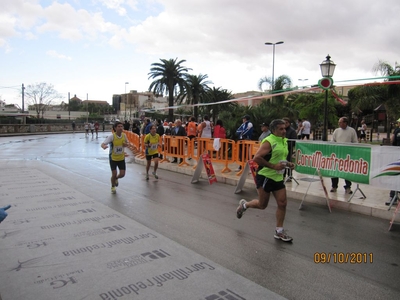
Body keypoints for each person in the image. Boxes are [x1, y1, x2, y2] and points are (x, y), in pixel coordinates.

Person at [236, 119, 294, 242]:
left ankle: (279, 231)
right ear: (274, 130)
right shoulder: (269, 141)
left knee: (282, 203)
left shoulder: (284, 140)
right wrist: (273, 167)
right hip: (265, 176)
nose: (284, 131)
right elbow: (257, 158)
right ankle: (244, 205)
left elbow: (280, 158)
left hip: (278, 177)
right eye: (281, 129)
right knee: (262, 205)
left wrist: (288, 164)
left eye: (285, 128)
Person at [330, 117, 358, 194]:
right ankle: (334, 186)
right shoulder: (336, 131)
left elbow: (355, 142)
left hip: (347, 155)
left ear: (345, 123)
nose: (339, 124)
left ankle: (348, 187)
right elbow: (333, 141)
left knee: (347, 171)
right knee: (334, 170)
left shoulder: (351, 131)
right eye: (339, 122)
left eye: (341, 122)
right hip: (337, 154)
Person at [101, 121, 129, 194]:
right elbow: (103, 144)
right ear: (115, 128)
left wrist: (125, 144)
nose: (120, 128)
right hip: (113, 158)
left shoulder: (124, 135)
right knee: (114, 173)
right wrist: (104, 146)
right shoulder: (112, 136)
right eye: (118, 127)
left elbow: (128, 143)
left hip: (121, 158)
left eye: (121, 126)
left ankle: (116, 178)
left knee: (122, 174)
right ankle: (113, 186)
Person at [387, 118, 400, 205]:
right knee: (395, 176)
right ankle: (393, 196)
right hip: (397, 155)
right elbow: (393, 142)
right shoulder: (397, 131)